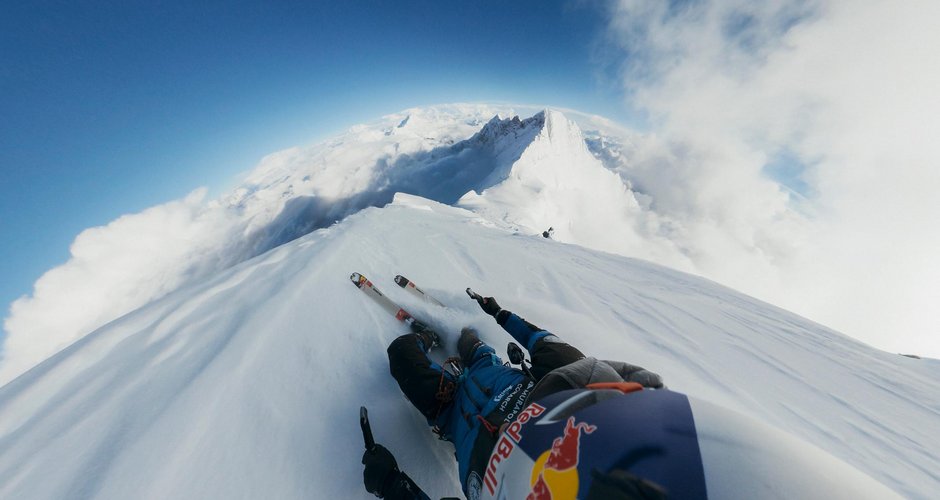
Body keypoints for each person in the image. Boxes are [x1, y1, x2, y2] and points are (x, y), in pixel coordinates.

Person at [362, 292, 664, 499]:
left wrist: (391, 485)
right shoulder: (579, 386)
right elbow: (541, 341)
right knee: (468, 338)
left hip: (450, 410)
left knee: (402, 353)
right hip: (488, 369)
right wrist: (499, 313)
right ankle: (446, 336)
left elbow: (542, 341)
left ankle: (427, 339)